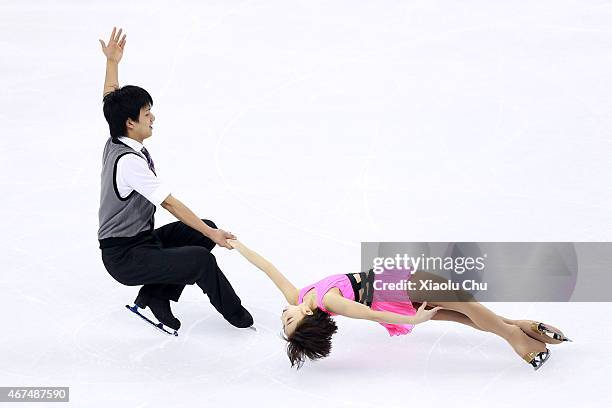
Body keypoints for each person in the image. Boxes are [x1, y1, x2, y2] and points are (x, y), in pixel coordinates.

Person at [97, 27, 253, 334]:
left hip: (142, 242)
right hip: (125, 256)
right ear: (130, 123)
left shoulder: (116, 136)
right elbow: (169, 203)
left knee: (203, 231)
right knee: (200, 259)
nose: (152, 118)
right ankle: (241, 319)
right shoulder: (128, 162)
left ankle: (156, 296)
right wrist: (215, 234)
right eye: (146, 113)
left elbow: (109, 99)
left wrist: (112, 62)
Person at [228, 239, 571, 370]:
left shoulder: (298, 297)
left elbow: (266, 266)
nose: (282, 316)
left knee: (463, 314)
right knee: (465, 304)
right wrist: (418, 322)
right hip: (394, 286)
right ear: (305, 317)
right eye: (288, 323)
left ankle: (520, 325)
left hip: (392, 294)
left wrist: (237, 244)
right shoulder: (329, 301)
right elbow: (369, 312)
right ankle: (515, 337)